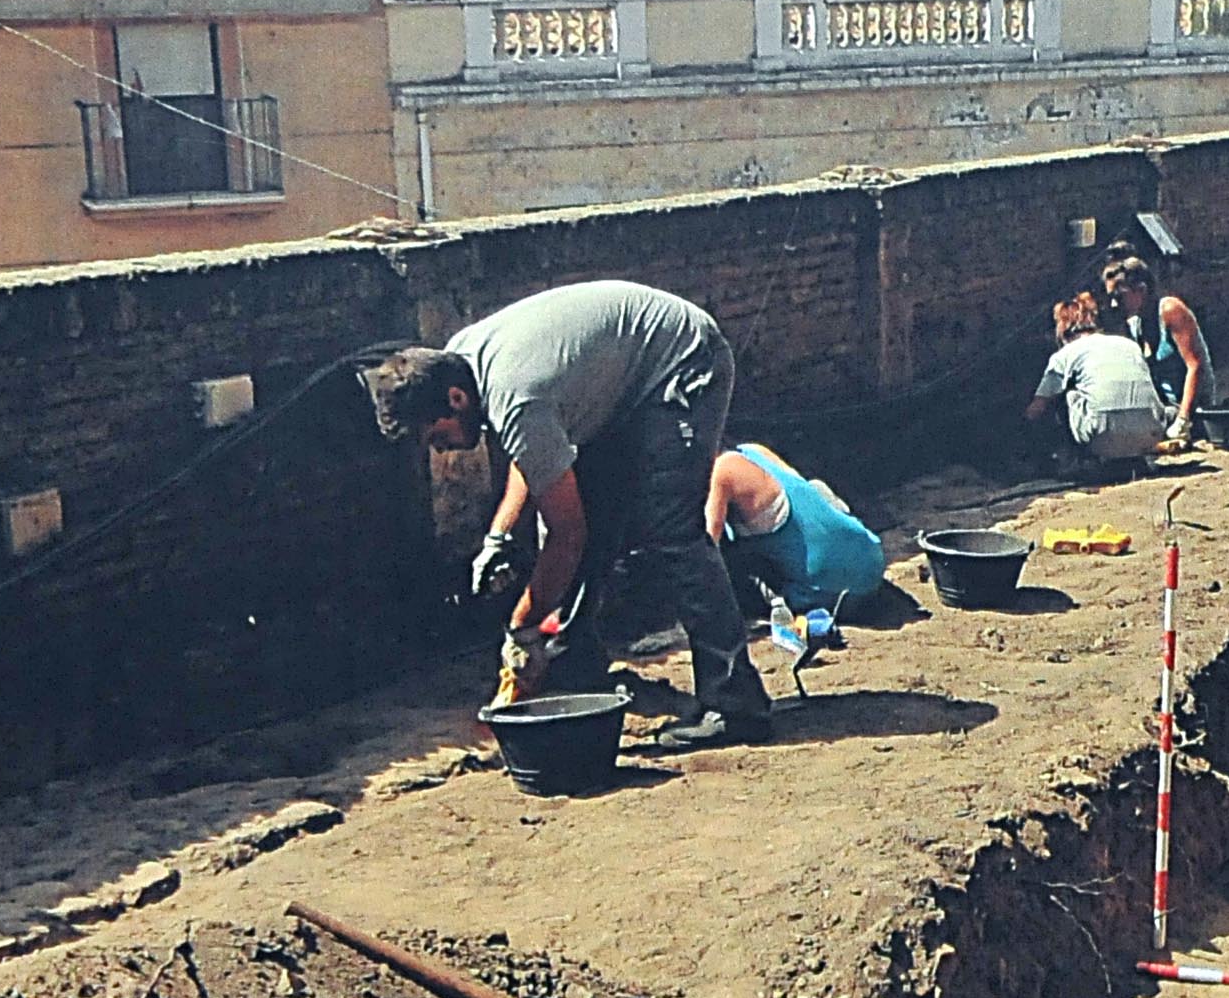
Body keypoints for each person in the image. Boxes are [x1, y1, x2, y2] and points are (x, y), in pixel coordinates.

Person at [373, 279, 771, 754]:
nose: (439, 450)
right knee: (594, 514)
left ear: (456, 399)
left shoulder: (515, 396)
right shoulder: (458, 361)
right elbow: (534, 456)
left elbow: (566, 534)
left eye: (435, 436)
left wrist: (521, 627)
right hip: (621, 382)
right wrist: (499, 535)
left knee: (671, 531)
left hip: (681, 361)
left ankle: (736, 705)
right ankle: (573, 670)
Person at [708, 441, 888, 638]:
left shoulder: (721, 472)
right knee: (816, 488)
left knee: (723, 559)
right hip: (871, 566)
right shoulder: (753, 450)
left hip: (830, 592)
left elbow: (707, 547)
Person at [1096, 252, 1210, 448]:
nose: (1114, 304)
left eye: (1119, 296)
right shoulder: (1134, 324)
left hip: (1190, 410)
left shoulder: (1170, 311)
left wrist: (1183, 420)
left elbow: (1196, 365)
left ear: (1141, 290)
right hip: (1163, 410)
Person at [1030, 320, 1166, 473]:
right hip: (1151, 433)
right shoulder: (1130, 345)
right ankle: (1134, 457)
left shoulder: (1064, 354)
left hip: (1101, 437)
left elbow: (1038, 407)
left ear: (1061, 330)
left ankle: (1080, 460)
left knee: (1068, 393)